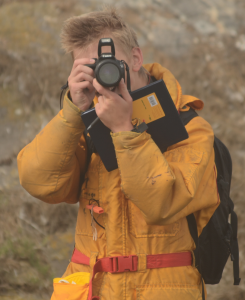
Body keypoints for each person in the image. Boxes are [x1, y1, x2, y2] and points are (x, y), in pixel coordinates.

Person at [17, 7, 220, 300]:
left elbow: (163, 204)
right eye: (90, 67)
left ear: (136, 59)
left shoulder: (191, 129)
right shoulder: (82, 125)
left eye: (109, 64)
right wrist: (73, 112)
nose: (104, 75)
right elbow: (38, 182)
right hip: (91, 288)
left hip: (162, 288)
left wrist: (126, 131)